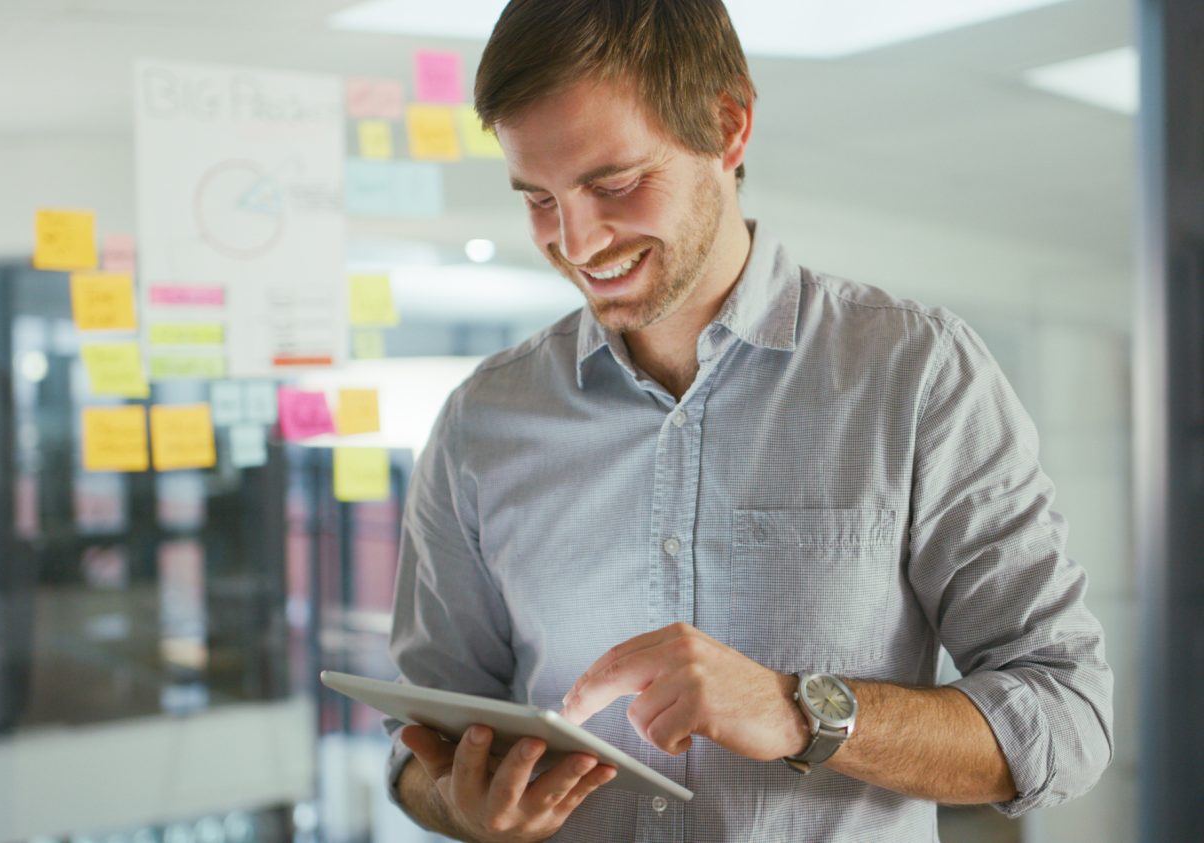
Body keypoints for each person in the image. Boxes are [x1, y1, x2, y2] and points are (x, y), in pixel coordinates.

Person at [383, 1, 1114, 840]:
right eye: (538, 199)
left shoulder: (914, 375)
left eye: (613, 185)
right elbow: (416, 746)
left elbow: (1067, 716)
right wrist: (460, 804)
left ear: (728, 127)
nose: (577, 242)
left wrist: (800, 711)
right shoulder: (483, 421)